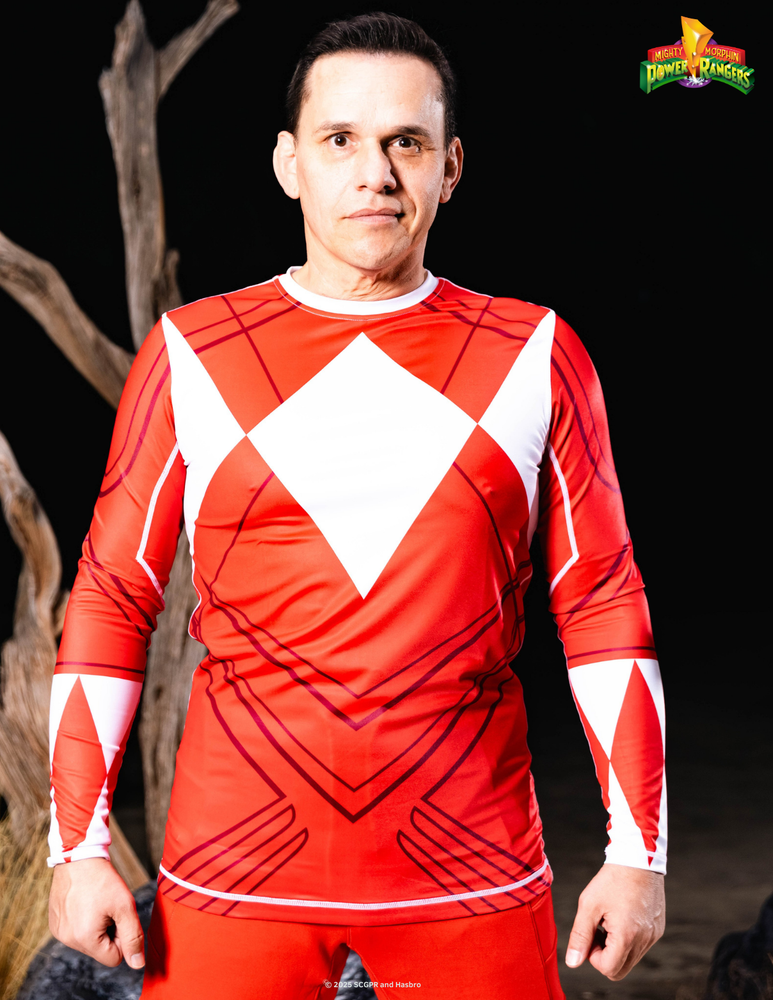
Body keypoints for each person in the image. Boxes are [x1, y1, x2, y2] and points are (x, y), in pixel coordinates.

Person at [47, 12, 666, 999]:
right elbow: (112, 595)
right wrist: (76, 849)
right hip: (233, 874)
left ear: (449, 167)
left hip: (471, 874)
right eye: (340, 139)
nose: (374, 173)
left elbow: (601, 601)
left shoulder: (537, 354)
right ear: (289, 163)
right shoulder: (191, 354)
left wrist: (638, 855)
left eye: (405, 143)